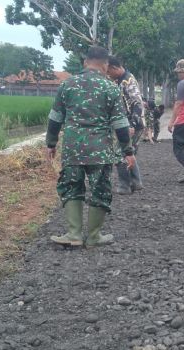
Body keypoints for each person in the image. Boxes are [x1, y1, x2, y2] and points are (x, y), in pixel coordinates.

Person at [46, 46, 135, 248]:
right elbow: (120, 124)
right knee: (100, 190)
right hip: (100, 150)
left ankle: (74, 235)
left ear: (86, 62)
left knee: (71, 187)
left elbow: (55, 118)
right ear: (105, 65)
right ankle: (94, 236)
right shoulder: (110, 87)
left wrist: (51, 144)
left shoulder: (67, 84)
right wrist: (128, 151)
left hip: (72, 148)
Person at [107, 56, 145, 195]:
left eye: (108, 71)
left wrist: (131, 124)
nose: (108, 74)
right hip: (129, 123)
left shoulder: (128, 80)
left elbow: (137, 103)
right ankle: (136, 181)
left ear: (114, 68)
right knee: (128, 152)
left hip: (131, 123)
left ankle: (125, 185)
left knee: (119, 153)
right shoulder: (121, 80)